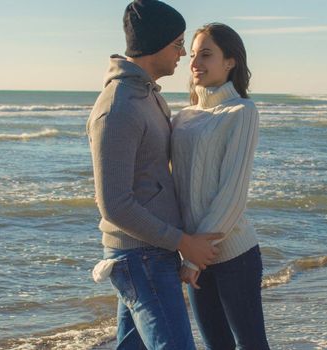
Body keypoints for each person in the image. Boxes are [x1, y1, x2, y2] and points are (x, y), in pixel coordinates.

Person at [86, 1, 223, 349]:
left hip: (152, 253)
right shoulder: (118, 108)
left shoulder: (149, 97)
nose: (182, 54)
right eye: (177, 44)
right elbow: (115, 205)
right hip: (140, 257)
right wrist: (183, 242)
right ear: (155, 44)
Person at [172, 23, 270, 349]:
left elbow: (231, 195)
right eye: (194, 54)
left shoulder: (242, 111)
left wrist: (192, 259)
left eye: (206, 54)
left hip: (234, 255)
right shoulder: (181, 117)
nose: (195, 62)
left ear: (230, 61)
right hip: (194, 253)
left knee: (252, 346)